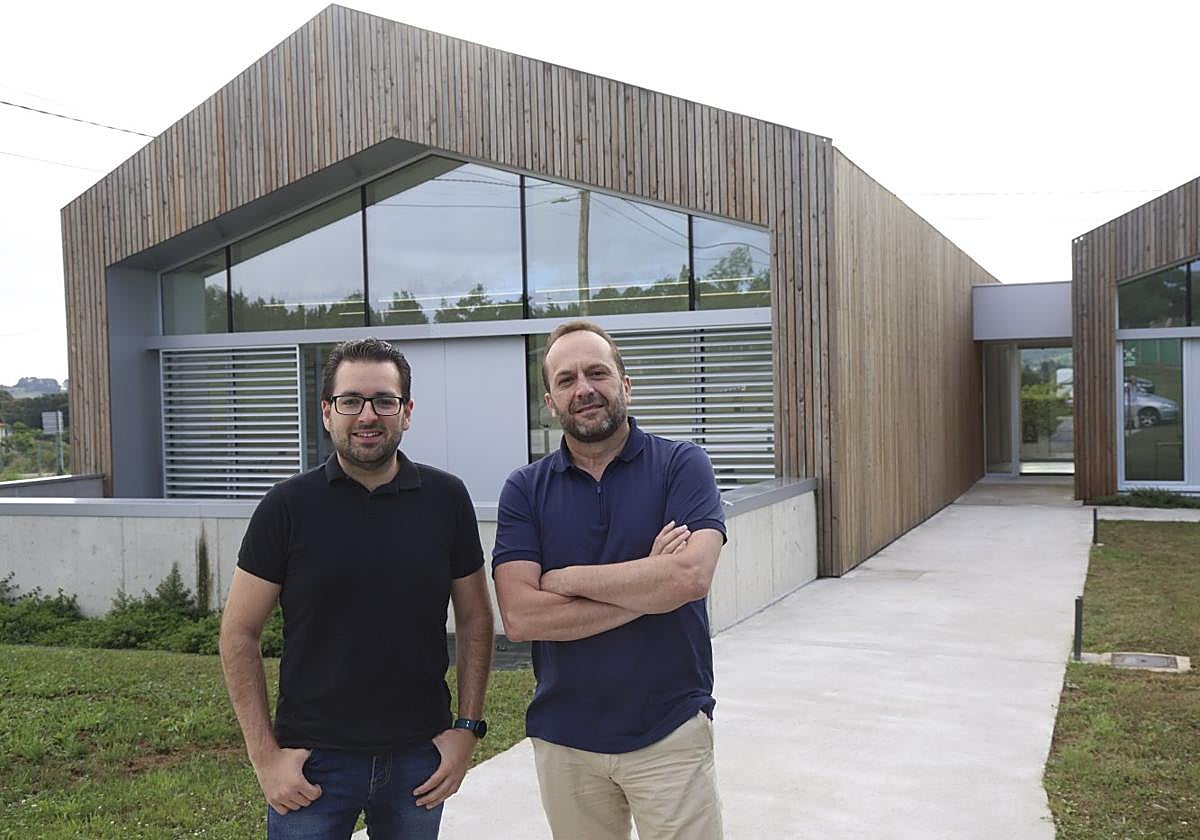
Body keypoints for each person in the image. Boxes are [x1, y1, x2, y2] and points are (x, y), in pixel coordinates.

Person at [219, 337, 494, 840]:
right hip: (313, 767)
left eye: (384, 401)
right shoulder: (286, 507)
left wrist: (466, 731)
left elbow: (476, 619)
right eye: (351, 401)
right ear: (327, 412)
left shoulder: (446, 500)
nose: (368, 415)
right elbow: (238, 632)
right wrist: (264, 758)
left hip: (419, 761)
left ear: (406, 412)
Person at [492, 320, 726, 840]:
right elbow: (522, 616)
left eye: (598, 373)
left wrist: (571, 578)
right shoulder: (525, 489)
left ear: (625, 383)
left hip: (669, 731)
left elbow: (689, 575)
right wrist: (648, 585)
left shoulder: (681, 465)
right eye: (567, 379)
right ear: (550, 401)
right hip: (566, 739)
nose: (584, 389)